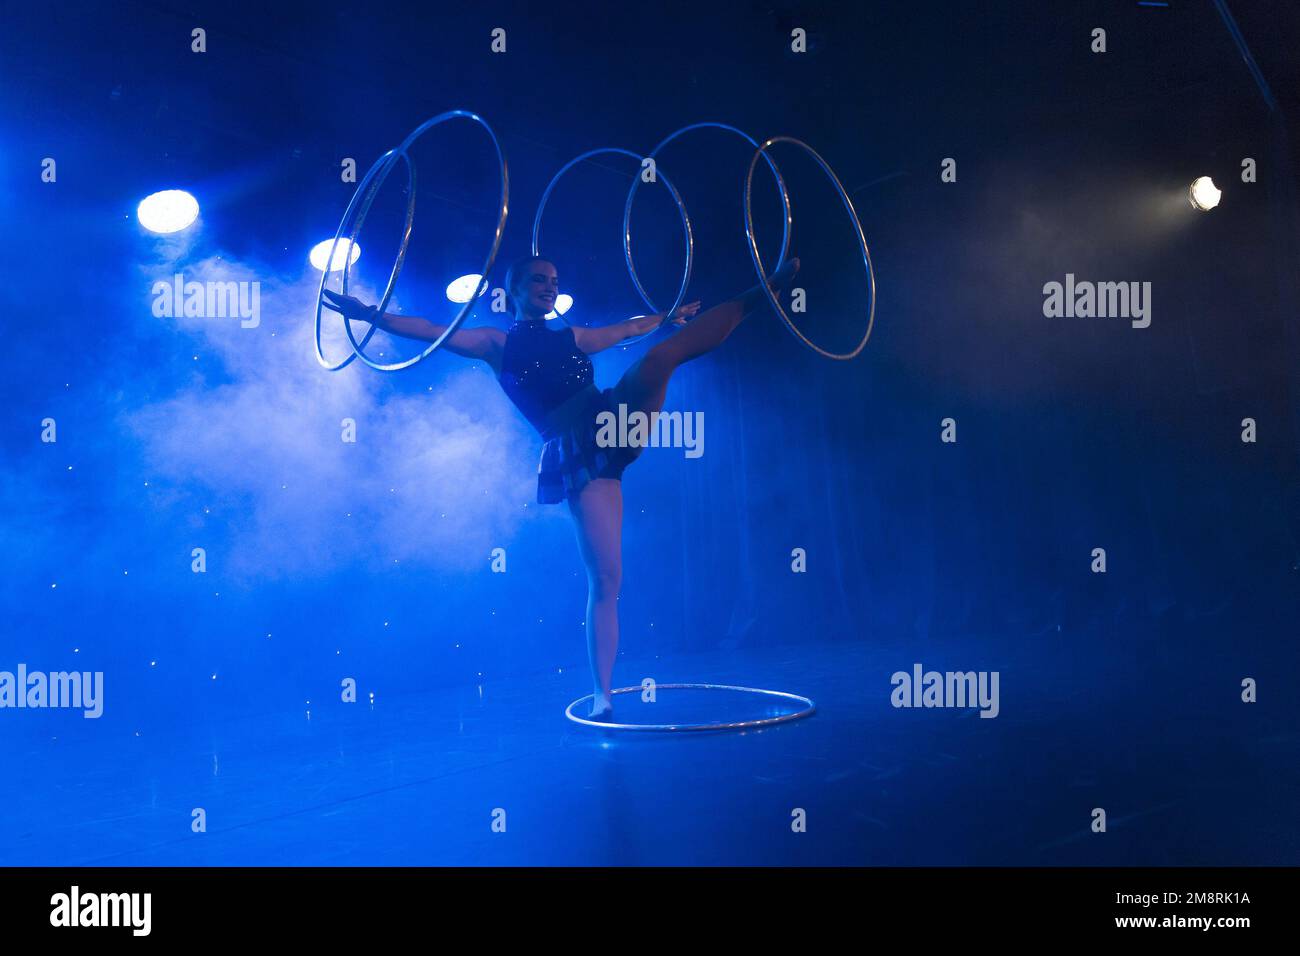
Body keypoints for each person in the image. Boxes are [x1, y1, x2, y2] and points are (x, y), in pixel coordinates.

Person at [322, 254, 799, 718]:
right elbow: (430, 330)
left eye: (553, 280)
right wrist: (369, 314)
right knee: (607, 578)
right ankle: (603, 693)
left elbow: (629, 329)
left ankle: (761, 293)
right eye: (537, 280)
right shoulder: (494, 343)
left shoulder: (571, 335)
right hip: (577, 454)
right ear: (511, 290)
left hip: (614, 418)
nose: (549, 286)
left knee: (660, 356)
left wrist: (666, 316)